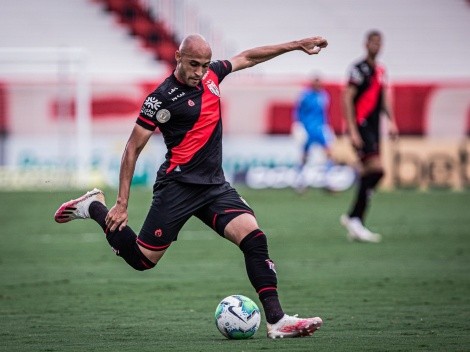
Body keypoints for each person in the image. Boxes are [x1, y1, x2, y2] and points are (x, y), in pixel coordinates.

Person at [54, 34, 327, 339]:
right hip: (177, 187)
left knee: (254, 238)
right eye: (193, 64)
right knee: (143, 260)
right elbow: (132, 148)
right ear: (178, 57)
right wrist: (121, 202)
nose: (199, 72)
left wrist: (295, 45)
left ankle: (277, 321)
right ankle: (93, 206)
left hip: (213, 186)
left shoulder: (212, 76)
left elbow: (248, 56)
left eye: (205, 65)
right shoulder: (161, 98)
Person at [340, 30, 398, 243]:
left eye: (379, 43)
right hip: (361, 125)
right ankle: (355, 218)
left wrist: (392, 122)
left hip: (374, 128)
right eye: (373, 42)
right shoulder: (358, 69)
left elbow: (384, 99)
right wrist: (353, 130)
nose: (376, 46)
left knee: (372, 174)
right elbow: (347, 98)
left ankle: (354, 217)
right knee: (377, 169)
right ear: (366, 44)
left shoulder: (381, 71)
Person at [292, 73, 335, 192]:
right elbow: (298, 111)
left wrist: (327, 126)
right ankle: (300, 181)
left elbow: (323, 113)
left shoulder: (324, 95)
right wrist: (298, 125)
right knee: (305, 156)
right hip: (308, 129)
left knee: (329, 153)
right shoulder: (305, 95)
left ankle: (328, 181)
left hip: (320, 129)